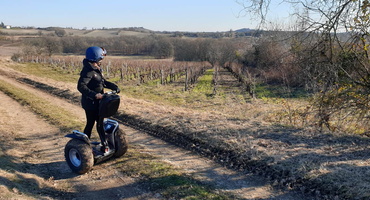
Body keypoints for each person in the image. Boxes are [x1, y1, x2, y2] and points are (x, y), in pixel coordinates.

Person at [77, 46, 120, 153]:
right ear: (96, 58)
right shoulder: (88, 71)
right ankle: (84, 147)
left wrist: (114, 86)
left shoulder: (96, 69)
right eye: (101, 58)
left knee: (100, 123)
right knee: (92, 123)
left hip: (99, 102)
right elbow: (81, 86)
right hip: (90, 103)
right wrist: (94, 95)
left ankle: (104, 144)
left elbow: (102, 82)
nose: (102, 60)